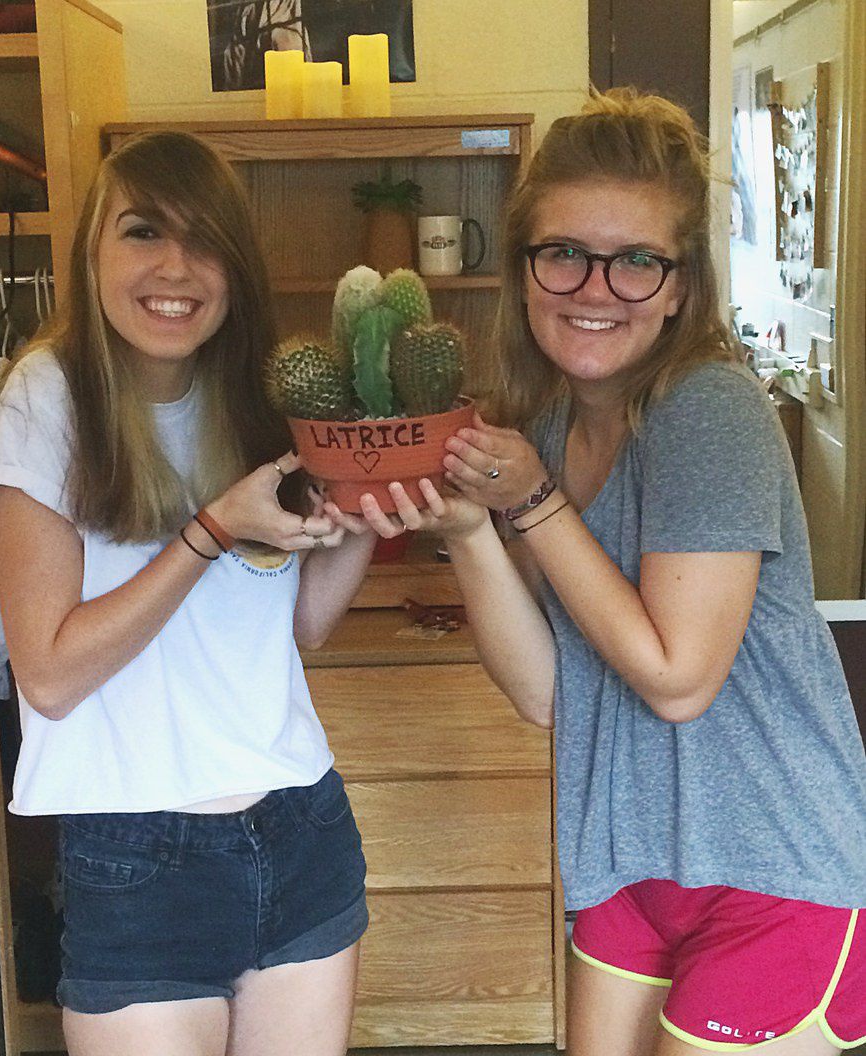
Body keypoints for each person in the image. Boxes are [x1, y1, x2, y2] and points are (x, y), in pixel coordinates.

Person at [344, 89, 866, 1055]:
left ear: (678, 287)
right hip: (631, 864)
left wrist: (534, 502)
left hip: (775, 868)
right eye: (565, 253)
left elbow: (677, 680)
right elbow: (550, 691)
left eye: (636, 261)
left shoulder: (710, 410)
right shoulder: (547, 426)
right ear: (525, 268)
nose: (595, 288)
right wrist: (471, 531)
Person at [0, 131, 377, 1056]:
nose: (175, 269)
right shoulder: (49, 396)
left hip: (300, 823)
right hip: (136, 860)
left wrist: (362, 517)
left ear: (236, 269)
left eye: (204, 242)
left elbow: (304, 627)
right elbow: (50, 676)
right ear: (93, 250)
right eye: (144, 232)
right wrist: (212, 529)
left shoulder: (260, 397)